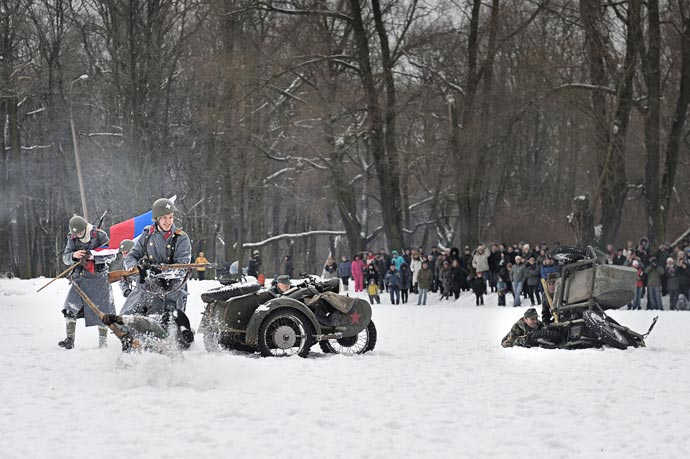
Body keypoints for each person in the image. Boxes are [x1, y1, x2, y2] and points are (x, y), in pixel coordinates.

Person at [121, 198, 194, 348]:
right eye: (164, 218)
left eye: (171, 217)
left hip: (173, 286)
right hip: (149, 284)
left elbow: (181, 269)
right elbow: (132, 256)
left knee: (169, 320)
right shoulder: (148, 233)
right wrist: (136, 269)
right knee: (127, 316)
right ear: (156, 219)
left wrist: (158, 270)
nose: (168, 221)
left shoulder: (181, 238)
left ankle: (180, 337)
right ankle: (131, 344)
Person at [58, 215, 117, 349]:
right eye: (76, 233)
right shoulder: (72, 238)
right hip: (80, 277)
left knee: (102, 311)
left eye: (80, 232)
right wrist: (73, 256)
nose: (78, 235)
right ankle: (70, 339)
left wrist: (93, 256)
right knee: (70, 309)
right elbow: (65, 258)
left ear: (85, 228)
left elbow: (112, 254)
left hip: (99, 277)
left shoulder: (100, 235)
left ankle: (103, 342)